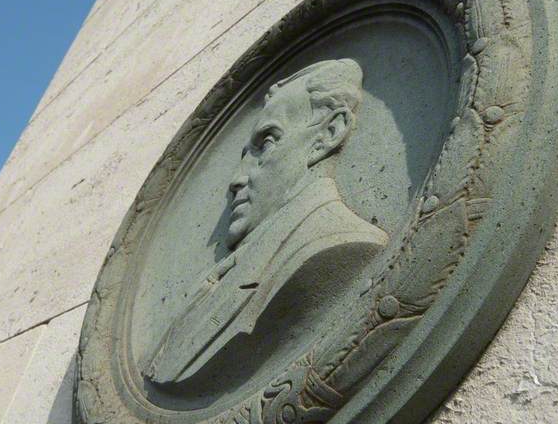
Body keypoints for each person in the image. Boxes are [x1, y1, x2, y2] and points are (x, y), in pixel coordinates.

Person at [143, 58, 387, 388]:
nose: (236, 179)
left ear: (329, 134)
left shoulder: (339, 245)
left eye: (267, 143)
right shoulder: (229, 270)